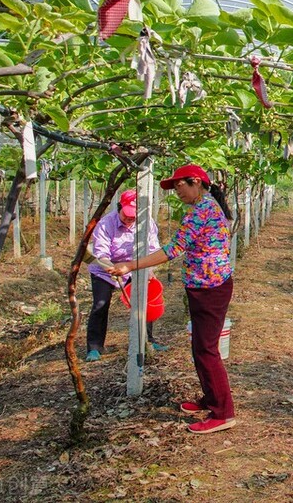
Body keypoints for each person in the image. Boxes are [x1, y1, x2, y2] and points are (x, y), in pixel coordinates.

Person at [111, 164, 236, 435]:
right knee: (200, 346)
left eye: (180, 186)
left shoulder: (201, 211)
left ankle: (223, 412)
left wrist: (130, 266)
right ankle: (211, 398)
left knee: (206, 350)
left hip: (209, 288)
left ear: (196, 182)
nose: (177, 192)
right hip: (207, 285)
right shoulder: (208, 206)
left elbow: (173, 249)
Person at [85, 189, 165, 361]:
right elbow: (101, 252)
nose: (129, 218)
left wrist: (148, 269)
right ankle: (94, 347)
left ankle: (148, 340)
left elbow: (152, 248)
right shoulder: (106, 224)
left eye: (133, 216)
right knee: (100, 304)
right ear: (119, 207)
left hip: (135, 266)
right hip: (106, 270)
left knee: (145, 301)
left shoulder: (147, 223)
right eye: (126, 214)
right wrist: (110, 268)